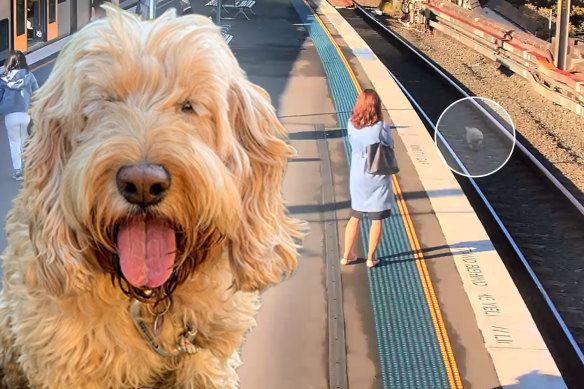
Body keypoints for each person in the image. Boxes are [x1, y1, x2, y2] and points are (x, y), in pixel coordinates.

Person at [341, 89, 395, 268]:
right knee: (376, 218)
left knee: (355, 215)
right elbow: (389, 147)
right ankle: (371, 258)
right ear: (376, 106)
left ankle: (347, 255)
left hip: (357, 173)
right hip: (377, 174)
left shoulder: (350, 123)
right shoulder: (382, 128)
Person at [0, 51, 39, 181]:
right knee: (25, 141)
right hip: (25, 114)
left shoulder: (3, 77)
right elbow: (37, 94)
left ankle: (18, 172)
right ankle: (27, 169)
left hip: (10, 115)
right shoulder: (29, 76)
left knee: (14, 143)